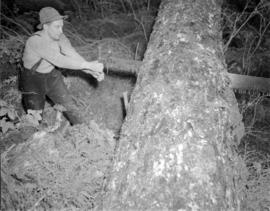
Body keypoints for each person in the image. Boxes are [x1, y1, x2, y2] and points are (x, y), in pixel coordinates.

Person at [20, 7, 104, 125]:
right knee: (35, 116)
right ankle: (36, 138)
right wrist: (89, 65)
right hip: (32, 81)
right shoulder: (35, 41)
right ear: (45, 27)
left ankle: (84, 131)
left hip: (52, 77)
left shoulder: (60, 36)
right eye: (57, 27)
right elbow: (59, 60)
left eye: (62, 26)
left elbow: (71, 54)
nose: (61, 30)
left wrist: (89, 70)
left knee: (69, 106)